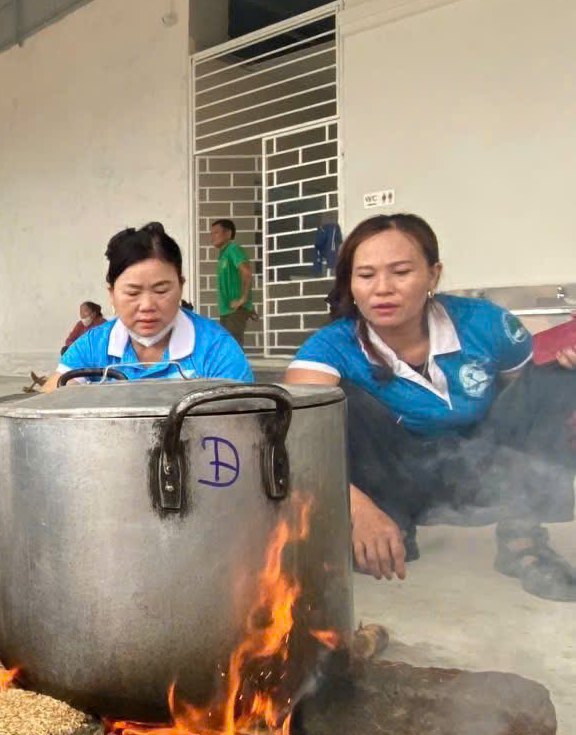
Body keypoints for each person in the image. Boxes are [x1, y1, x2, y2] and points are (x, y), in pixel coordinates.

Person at [285, 213, 576, 601]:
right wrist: (357, 510)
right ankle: (389, 522)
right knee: (323, 407)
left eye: (401, 272)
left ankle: (521, 539)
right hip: (393, 479)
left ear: (433, 275)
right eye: (366, 275)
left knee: (558, 376)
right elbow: (295, 440)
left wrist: (560, 386)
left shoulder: (486, 323)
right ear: (350, 284)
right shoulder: (329, 347)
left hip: (481, 471)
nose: (382, 289)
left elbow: (525, 399)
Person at [45, 223, 253, 391]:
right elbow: (51, 400)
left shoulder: (216, 348)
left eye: (161, 291)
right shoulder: (94, 345)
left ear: (181, 287)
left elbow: (240, 419)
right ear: (112, 294)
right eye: (132, 293)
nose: (147, 306)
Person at [210, 219, 255, 345]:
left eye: (216, 233)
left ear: (228, 233)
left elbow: (246, 272)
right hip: (227, 310)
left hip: (235, 310)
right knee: (228, 347)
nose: (212, 237)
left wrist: (243, 299)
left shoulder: (233, 249)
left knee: (233, 347)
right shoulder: (223, 254)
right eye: (211, 233)